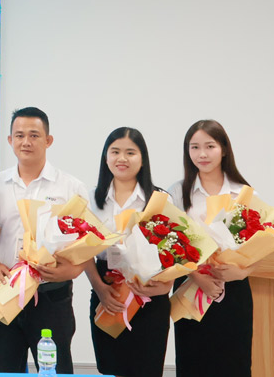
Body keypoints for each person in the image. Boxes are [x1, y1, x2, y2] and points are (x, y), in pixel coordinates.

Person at [0, 107, 90, 374]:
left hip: (51, 296)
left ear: (48, 140)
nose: (26, 142)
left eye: (34, 135)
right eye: (19, 135)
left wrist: (69, 271)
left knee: (55, 368)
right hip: (6, 292)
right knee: (3, 368)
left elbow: (86, 243)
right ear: (10, 140)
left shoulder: (70, 187)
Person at [169, 120, 254, 377]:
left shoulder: (242, 192)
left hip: (233, 289)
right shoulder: (177, 192)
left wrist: (241, 272)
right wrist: (196, 276)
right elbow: (170, 245)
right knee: (193, 363)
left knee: (234, 363)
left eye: (210, 146)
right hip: (191, 287)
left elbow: (260, 246)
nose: (202, 154)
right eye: (194, 147)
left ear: (224, 149)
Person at [86, 127, 171, 377]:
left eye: (130, 152)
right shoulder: (90, 199)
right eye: (115, 152)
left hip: (148, 294)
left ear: (142, 158)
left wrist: (165, 286)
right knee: (111, 368)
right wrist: (100, 289)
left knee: (146, 368)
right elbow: (81, 252)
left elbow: (175, 252)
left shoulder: (159, 199)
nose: (122, 159)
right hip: (107, 290)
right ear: (105, 157)